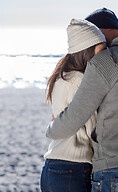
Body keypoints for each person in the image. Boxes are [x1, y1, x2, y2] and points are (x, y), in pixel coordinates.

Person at [46, 8, 118, 192]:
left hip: (117, 170)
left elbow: (73, 118)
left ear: (103, 31)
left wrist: (51, 128)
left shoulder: (107, 61)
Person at [40, 19, 106, 192]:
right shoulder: (81, 81)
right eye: (102, 48)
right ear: (87, 50)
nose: (105, 53)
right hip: (73, 168)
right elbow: (93, 126)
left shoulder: (61, 77)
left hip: (52, 166)